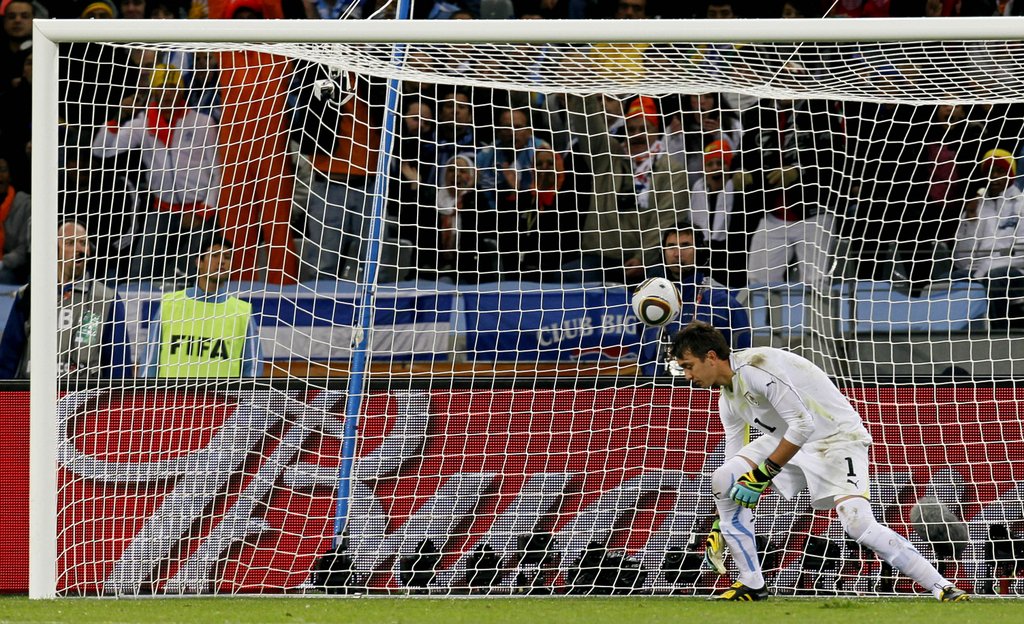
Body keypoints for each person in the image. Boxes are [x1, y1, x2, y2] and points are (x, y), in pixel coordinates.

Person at [668, 320, 969, 602]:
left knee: (858, 524)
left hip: (835, 438)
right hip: (790, 440)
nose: (687, 376)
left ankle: (942, 586)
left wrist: (762, 475)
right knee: (723, 478)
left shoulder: (757, 369)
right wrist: (723, 520)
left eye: (688, 366)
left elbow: (803, 424)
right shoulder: (728, 400)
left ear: (711, 357)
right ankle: (752, 583)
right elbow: (734, 461)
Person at [91, 62, 221, 281]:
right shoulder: (142, 124)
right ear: (153, 91)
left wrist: (204, 211)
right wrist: (119, 115)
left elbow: (218, 171)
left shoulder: (202, 122)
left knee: (185, 276)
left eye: (173, 87)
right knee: (139, 273)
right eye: (161, 87)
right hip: (162, 209)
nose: (167, 93)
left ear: (182, 90)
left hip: (199, 211)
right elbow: (101, 150)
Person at [0, 221, 133, 379]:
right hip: (33, 392)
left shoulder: (106, 299)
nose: (79, 249)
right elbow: (7, 360)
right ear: (53, 250)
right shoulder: (29, 294)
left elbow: (119, 367)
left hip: (85, 394)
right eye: (70, 243)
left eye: (83, 243)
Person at [139, 235, 262, 377]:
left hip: (222, 392)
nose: (221, 261)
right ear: (199, 262)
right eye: (214, 255)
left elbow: (252, 368)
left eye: (227, 257)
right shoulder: (169, 304)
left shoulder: (242, 312)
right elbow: (150, 361)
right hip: (173, 392)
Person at [640, 226, 749, 376]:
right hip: (658, 388)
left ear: (700, 251)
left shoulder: (724, 303)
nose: (677, 253)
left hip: (707, 389)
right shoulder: (648, 303)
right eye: (671, 246)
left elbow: (742, 359)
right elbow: (644, 360)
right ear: (662, 253)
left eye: (685, 245)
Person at [0, 155, 30, 284]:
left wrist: (2, 263)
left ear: (11, 175)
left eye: (3, 170)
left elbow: (24, 248)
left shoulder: (24, 203)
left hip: (14, 268)